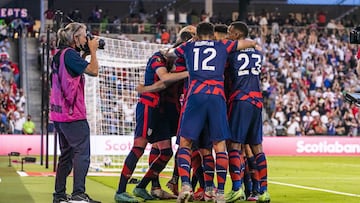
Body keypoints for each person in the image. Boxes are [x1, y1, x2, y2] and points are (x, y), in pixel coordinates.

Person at [163, 22, 258, 203]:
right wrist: (254, 44)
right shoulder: (222, 45)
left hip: (196, 95)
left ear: (197, 35)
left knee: (185, 143)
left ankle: (185, 186)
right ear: (212, 35)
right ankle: (219, 193)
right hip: (216, 97)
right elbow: (246, 43)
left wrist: (184, 44)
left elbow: (169, 53)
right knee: (219, 146)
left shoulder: (189, 46)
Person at [114, 50, 188, 203]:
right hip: (148, 106)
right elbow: (164, 80)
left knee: (166, 152)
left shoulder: (174, 62)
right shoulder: (158, 58)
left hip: (161, 110)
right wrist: (189, 73)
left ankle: (141, 187)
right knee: (139, 147)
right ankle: (120, 191)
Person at [49, 22, 101, 203]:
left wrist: (85, 53)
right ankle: (79, 194)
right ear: (74, 38)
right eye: (84, 35)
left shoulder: (60, 54)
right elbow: (93, 71)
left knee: (67, 155)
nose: (87, 39)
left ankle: (60, 195)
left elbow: (70, 71)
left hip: (59, 113)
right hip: (72, 113)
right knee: (82, 153)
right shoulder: (70, 55)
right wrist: (93, 51)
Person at [226, 21, 270, 203]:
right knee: (257, 147)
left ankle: (237, 189)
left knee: (235, 146)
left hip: (241, 99)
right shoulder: (258, 53)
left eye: (229, 32)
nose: (228, 35)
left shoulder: (232, 52)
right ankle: (264, 192)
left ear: (236, 35)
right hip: (257, 101)